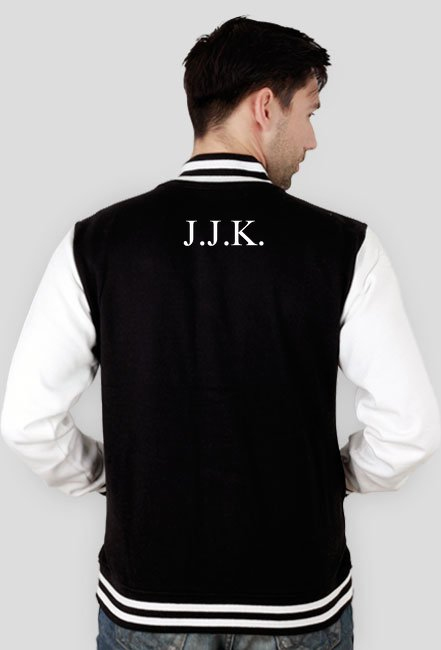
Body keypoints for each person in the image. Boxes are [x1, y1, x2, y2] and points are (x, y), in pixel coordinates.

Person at [1, 15, 440, 650]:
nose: (312, 139)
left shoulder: (97, 243)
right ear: (265, 106)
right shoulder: (343, 247)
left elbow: (28, 422)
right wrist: (330, 478)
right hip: (296, 604)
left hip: (149, 604)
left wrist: (112, 477)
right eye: (309, 112)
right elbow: (409, 431)